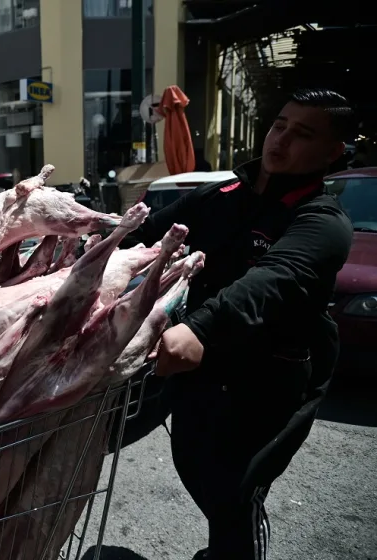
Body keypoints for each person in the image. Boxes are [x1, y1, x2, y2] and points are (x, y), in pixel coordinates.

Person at [132, 89, 355, 559]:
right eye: (280, 125)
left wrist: (202, 329)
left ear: (333, 153)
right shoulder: (221, 196)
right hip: (196, 368)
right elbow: (142, 236)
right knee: (193, 464)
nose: (282, 139)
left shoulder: (322, 221)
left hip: (263, 385)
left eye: (303, 133)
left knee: (237, 493)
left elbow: (276, 278)